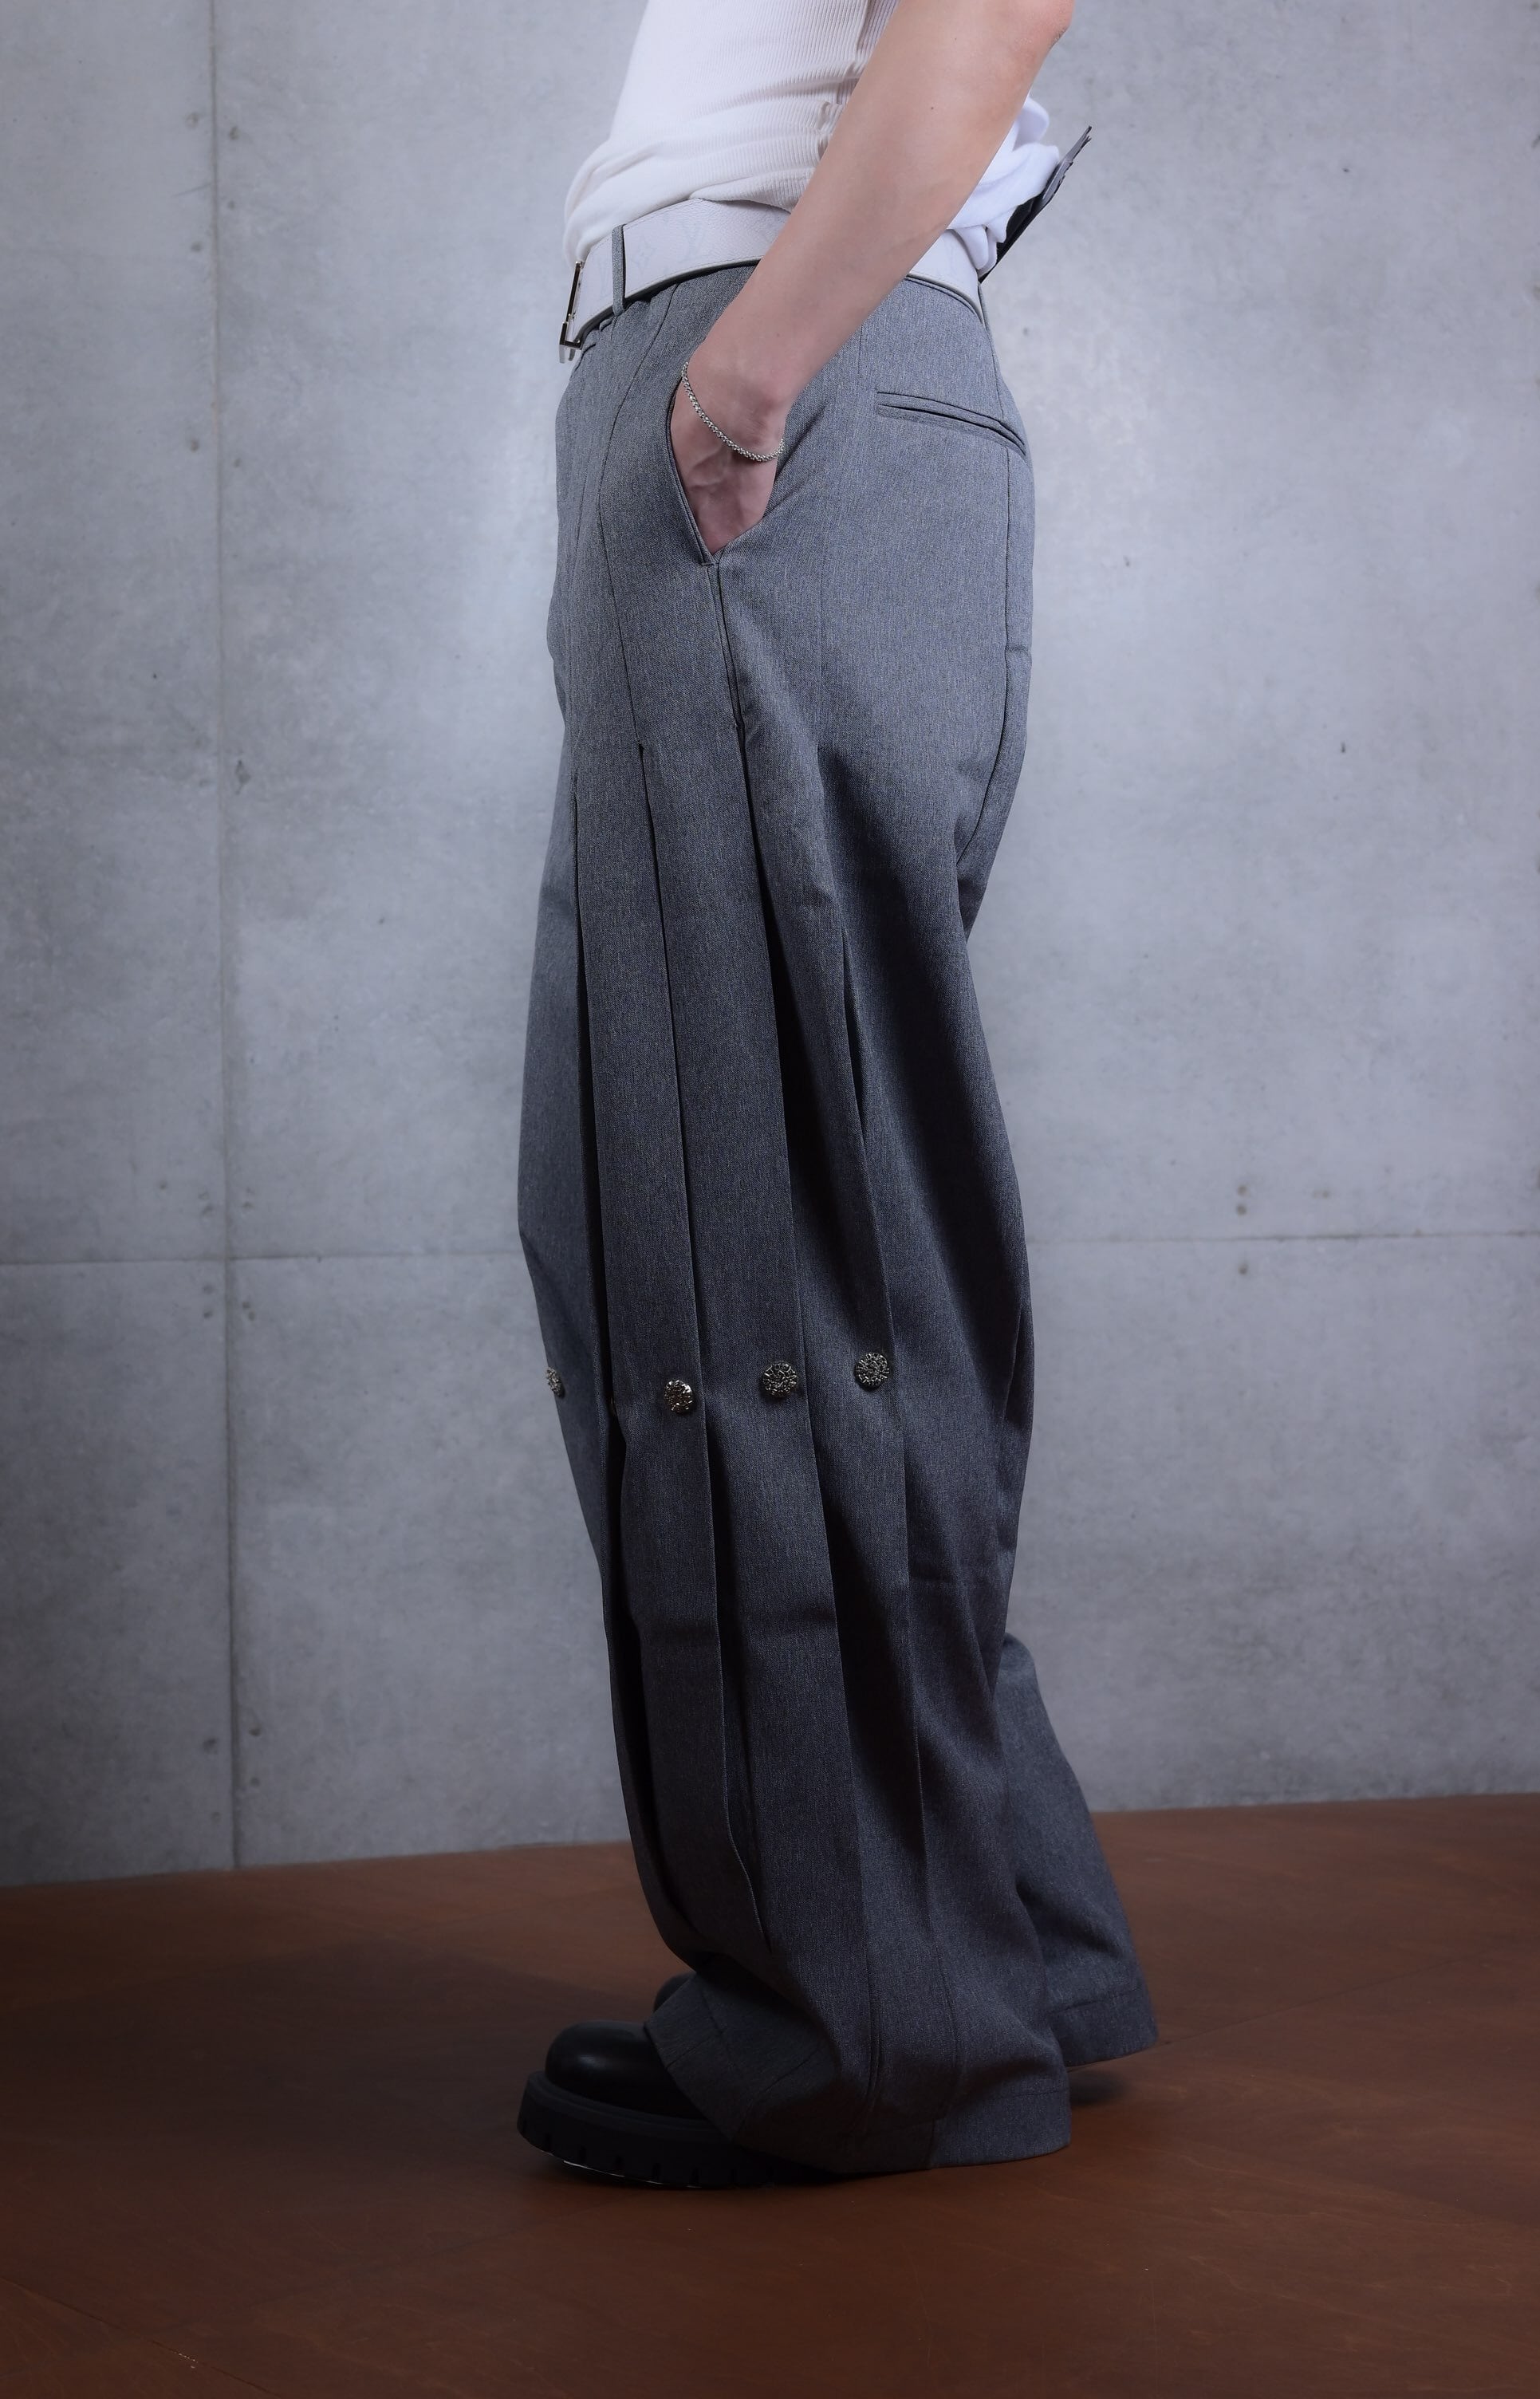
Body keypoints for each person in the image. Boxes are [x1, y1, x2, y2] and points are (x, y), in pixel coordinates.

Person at [515, 0, 1156, 2188]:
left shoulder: (760, 366)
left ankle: (868, 2033)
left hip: (777, 370)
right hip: (820, 367)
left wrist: (750, 367)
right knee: (826, 1209)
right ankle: (1001, 1947)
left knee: (742, 1230)